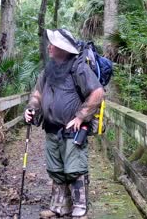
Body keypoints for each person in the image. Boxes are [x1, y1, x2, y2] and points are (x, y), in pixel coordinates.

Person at [24, 28, 104, 219]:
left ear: (64, 49)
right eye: (51, 44)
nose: (50, 47)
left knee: (74, 168)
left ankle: (80, 207)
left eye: (55, 45)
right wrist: (31, 108)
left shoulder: (79, 68)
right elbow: (37, 94)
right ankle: (59, 207)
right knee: (55, 169)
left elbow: (97, 93)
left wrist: (80, 116)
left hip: (73, 130)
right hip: (51, 129)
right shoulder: (48, 70)